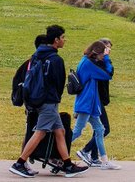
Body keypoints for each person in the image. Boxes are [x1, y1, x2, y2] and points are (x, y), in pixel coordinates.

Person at [10, 25, 88, 179]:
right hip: (49, 101)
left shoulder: (38, 55)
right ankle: (19, 163)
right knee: (40, 132)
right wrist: (55, 98)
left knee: (60, 131)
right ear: (56, 40)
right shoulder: (56, 59)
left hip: (37, 99)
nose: (65, 40)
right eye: (63, 37)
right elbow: (58, 83)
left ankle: (67, 164)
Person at [71, 39, 118, 169]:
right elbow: (108, 74)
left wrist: (105, 56)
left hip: (90, 103)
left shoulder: (86, 61)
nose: (104, 56)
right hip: (86, 103)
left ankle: (104, 161)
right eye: (103, 54)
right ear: (96, 53)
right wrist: (107, 58)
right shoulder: (88, 64)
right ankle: (58, 152)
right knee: (77, 131)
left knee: (100, 129)